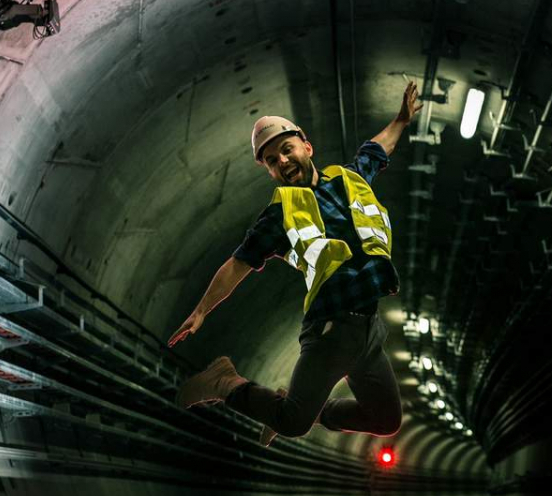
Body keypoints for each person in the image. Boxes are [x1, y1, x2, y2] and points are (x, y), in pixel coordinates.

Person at [168, 82, 422, 445]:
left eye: (286, 150)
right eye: (272, 160)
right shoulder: (279, 215)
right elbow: (238, 263)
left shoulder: (348, 180)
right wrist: (202, 310)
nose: (282, 161)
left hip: (368, 330)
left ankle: (314, 408)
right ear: (269, 171)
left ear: (306, 147)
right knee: (290, 421)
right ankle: (225, 382)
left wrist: (401, 119)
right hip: (330, 329)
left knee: (386, 420)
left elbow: (377, 149)